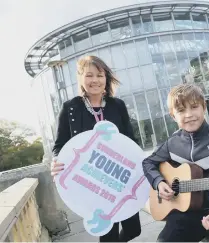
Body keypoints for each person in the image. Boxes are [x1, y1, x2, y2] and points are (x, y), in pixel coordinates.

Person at [50, 55, 141, 242]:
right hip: (93, 181)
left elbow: (131, 141)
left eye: (99, 75)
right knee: (108, 234)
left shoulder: (118, 105)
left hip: (120, 178)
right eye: (89, 75)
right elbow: (59, 146)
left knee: (134, 229)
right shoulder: (70, 108)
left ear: (106, 78)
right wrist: (57, 161)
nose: (95, 81)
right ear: (81, 78)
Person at [142, 83, 209, 242]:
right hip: (186, 214)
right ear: (172, 115)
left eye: (194, 107)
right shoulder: (172, 143)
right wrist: (159, 182)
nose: (189, 114)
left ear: (204, 107)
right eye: (181, 110)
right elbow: (148, 163)